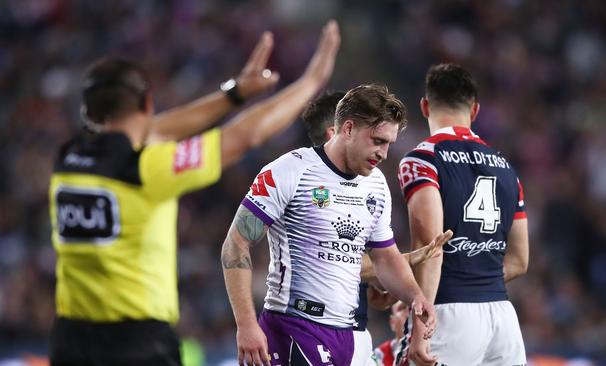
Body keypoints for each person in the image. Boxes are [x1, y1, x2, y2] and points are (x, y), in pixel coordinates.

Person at [48, 21, 341, 366]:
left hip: (70, 340)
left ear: (88, 112)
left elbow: (154, 130)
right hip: (136, 344)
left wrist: (234, 94)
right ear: (147, 103)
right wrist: (310, 84)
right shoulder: (147, 169)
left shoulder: (67, 160)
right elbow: (243, 135)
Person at [221, 83, 438, 366]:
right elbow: (235, 244)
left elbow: (385, 257)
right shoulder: (290, 170)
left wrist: (416, 297)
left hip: (345, 335)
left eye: (388, 144)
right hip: (293, 327)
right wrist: (246, 324)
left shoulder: (376, 184)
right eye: (377, 141)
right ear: (348, 129)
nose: (384, 153)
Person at [301, 91, 452, 366]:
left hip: (355, 333)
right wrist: (408, 260)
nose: (381, 152)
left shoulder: (367, 188)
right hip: (309, 333)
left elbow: (372, 290)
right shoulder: (303, 186)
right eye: (375, 139)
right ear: (338, 131)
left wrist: (396, 289)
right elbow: (329, 262)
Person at [394, 63, 529, 365]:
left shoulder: (423, 158)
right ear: (475, 110)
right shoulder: (506, 167)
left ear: (425, 106)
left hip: (449, 313)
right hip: (504, 321)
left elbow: (431, 247)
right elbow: (520, 261)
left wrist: (419, 329)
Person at [371, 301, 409, 366]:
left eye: (412, 308)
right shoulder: (380, 355)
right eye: (402, 308)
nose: (408, 314)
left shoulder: (431, 351)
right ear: (392, 322)